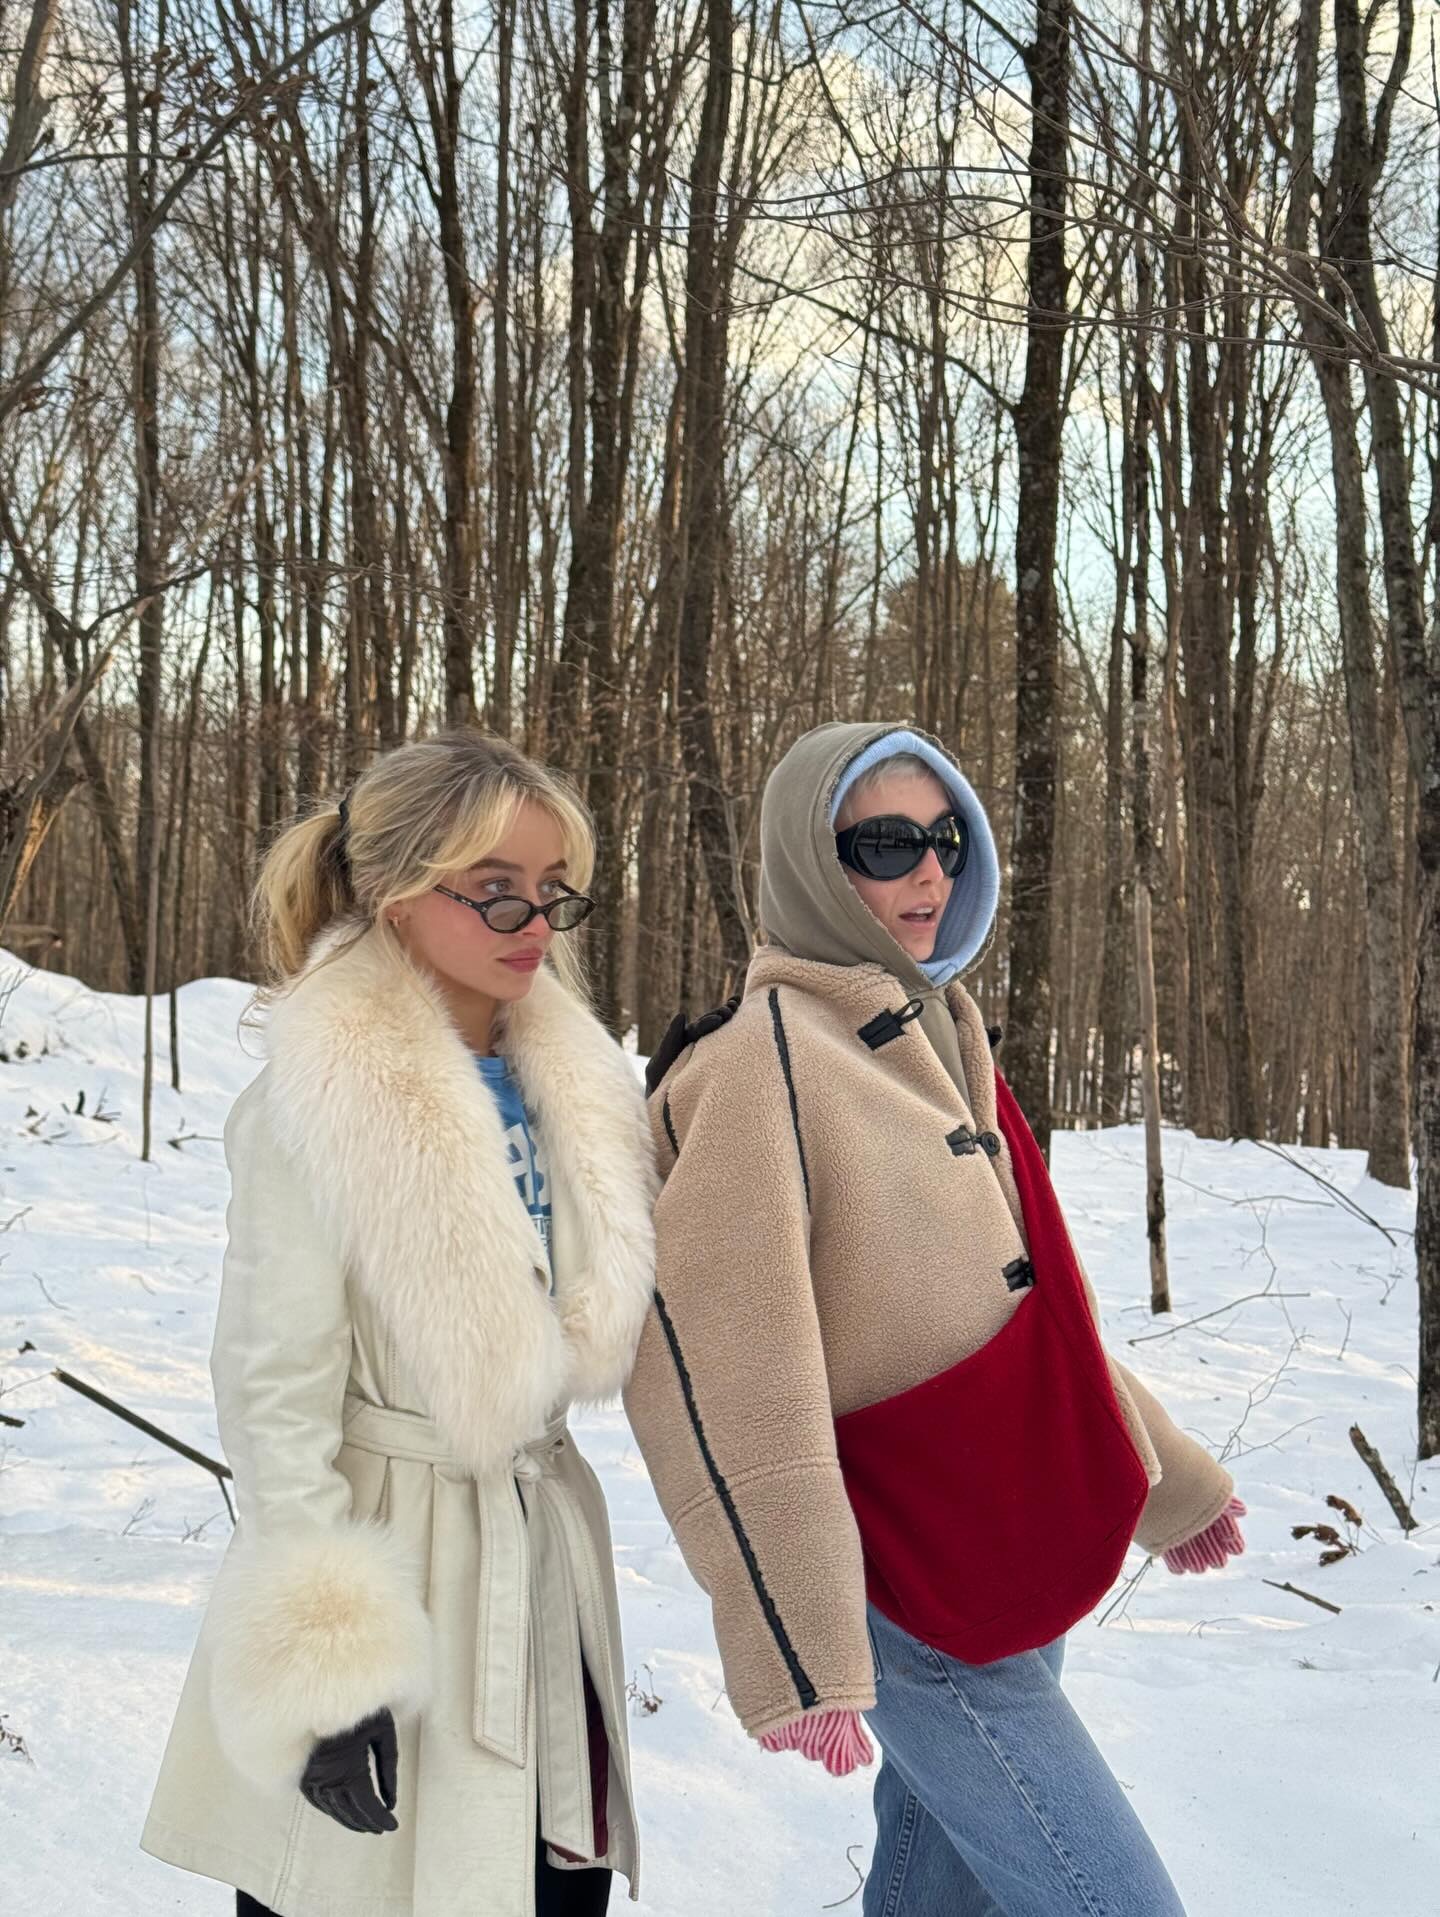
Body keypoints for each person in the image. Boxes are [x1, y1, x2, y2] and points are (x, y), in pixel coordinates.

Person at [625, 720, 1246, 1917]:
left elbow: (1032, 1301)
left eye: (947, 838)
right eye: (886, 842)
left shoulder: (938, 1028)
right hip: (897, 1565)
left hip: (1001, 1528)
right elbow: (723, 1369)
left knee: (938, 1893)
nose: (928, 872)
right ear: (812, 861)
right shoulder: (759, 1062)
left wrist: (1169, 1473)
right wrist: (799, 1638)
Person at [142, 731, 656, 1917]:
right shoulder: (313, 1101)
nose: (532, 922)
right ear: (392, 889)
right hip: (389, 1563)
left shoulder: (571, 1091)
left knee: (543, 1888)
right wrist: (331, 1665)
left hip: (537, 1565)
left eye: (549, 894)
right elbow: (274, 1394)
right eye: (494, 893)